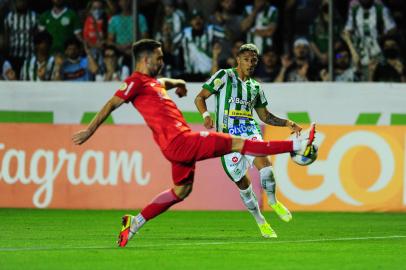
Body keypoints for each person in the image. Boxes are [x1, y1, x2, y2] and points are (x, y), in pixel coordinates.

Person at [71, 39, 316, 247]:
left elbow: (162, 83)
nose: (162, 62)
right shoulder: (135, 82)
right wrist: (89, 131)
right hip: (182, 141)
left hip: (175, 147)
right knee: (242, 144)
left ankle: (133, 224)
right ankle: (296, 146)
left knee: (181, 191)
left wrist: (177, 83)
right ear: (145, 59)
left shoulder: (151, 83)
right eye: (159, 58)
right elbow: (112, 103)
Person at [194, 43, 301, 238]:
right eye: (246, 60)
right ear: (238, 60)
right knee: (243, 185)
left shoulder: (256, 87)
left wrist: (287, 123)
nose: (250, 63)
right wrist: (206, 116)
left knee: (266, 166)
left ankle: (273, 201)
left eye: (254, 60)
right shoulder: (224, 76)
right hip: (227, 139)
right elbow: (200, 97)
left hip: (249, 132)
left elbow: (265, 116)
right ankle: (261, 221)